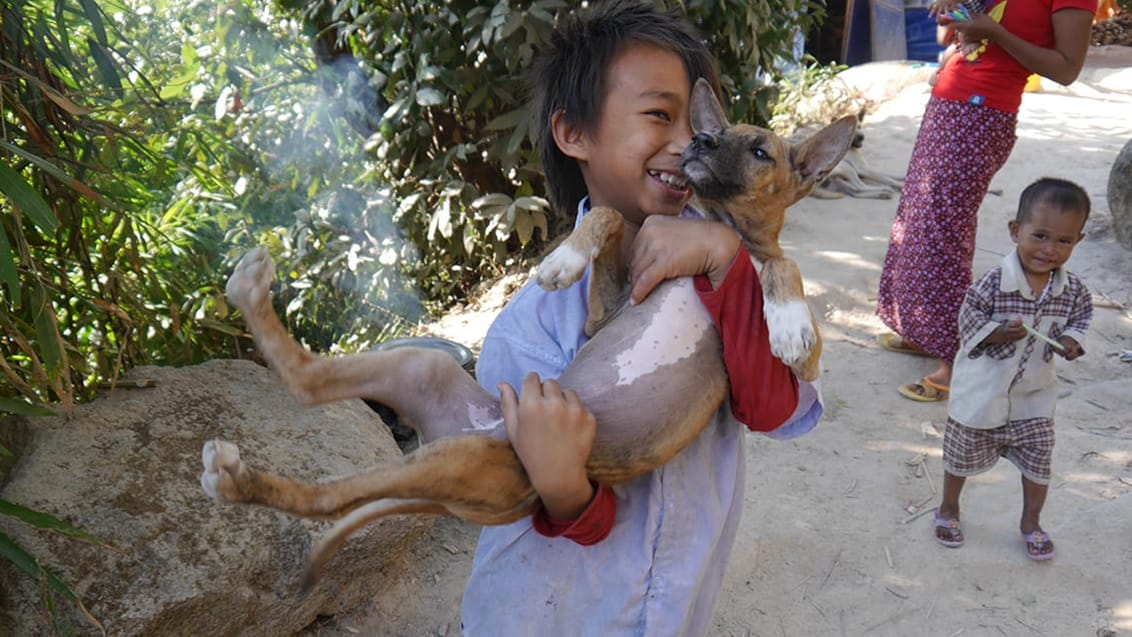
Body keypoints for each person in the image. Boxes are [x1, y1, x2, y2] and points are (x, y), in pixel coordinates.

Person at [459, 2, 823, 634]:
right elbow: (516, 485)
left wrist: (727, 262)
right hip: (548, 613)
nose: (690, 142)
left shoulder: (734, 272)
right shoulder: (533, 325)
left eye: (696, 122)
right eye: (659, 115)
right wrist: (566, 487)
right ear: (573, 133)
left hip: (673, 606)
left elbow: (776, 409)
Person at [875, 0, 1095, 402]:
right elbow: (955, 31)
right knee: (919, 221)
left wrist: (994, 33)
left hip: (981, 116)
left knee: (943, 236)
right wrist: (956, 12)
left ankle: (959, 359)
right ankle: (927, 330)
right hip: (950, 103)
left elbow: (1066, 69)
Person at [931, 177, 1092, 561]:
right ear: (1015, 231)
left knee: (1038, 461)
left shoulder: (1073, 291)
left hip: (1034, 397)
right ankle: (949, 508)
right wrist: (997, 332)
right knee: (961, 456)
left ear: (1078, 241)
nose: (1049, 250)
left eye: (1064, 241)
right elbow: (967, 321)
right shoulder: (992, 283)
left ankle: (1031, 523)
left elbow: (1080, 318)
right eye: (1039, 236)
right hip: (983, 395)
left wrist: (1071, 340)